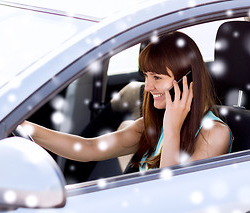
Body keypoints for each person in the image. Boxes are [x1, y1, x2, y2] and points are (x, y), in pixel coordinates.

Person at [22, 31, 232, 172]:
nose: (148, 88)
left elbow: (170, 191)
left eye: (157, 78)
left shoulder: (214, 135)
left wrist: (172, 127)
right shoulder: (150, 126)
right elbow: (88, 148)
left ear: (188, 81)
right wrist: (26, 128)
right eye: (146, 76)